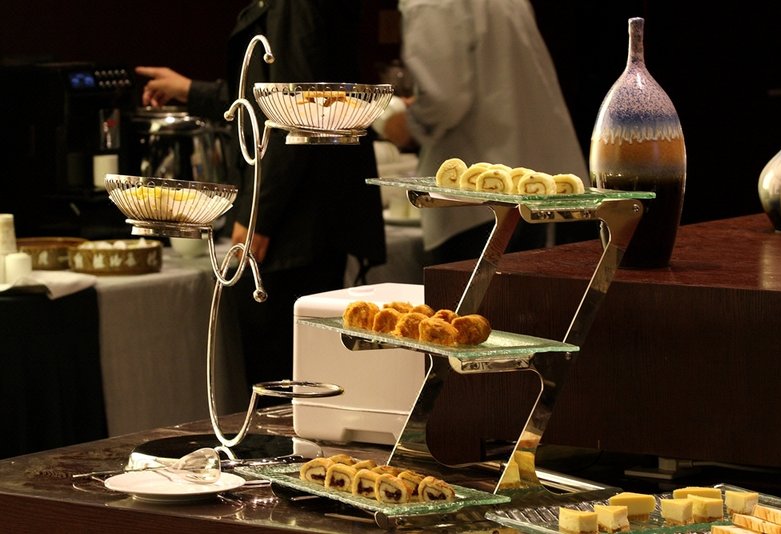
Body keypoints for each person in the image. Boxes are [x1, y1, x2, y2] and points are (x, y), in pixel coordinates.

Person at [136, 0, 386, 389]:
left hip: (294, 226)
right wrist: (190, 90)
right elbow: (266, 98)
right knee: (292, 377)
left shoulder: (295, 4)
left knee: (281, 382)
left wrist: (259, 217)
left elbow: (297, 110)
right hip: (301, 219)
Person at [379, 0, 589, 265]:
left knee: (472, 292)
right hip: (527, 181)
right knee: (516, 289)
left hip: (474, 194)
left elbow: (443, 101)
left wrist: (402, 124)